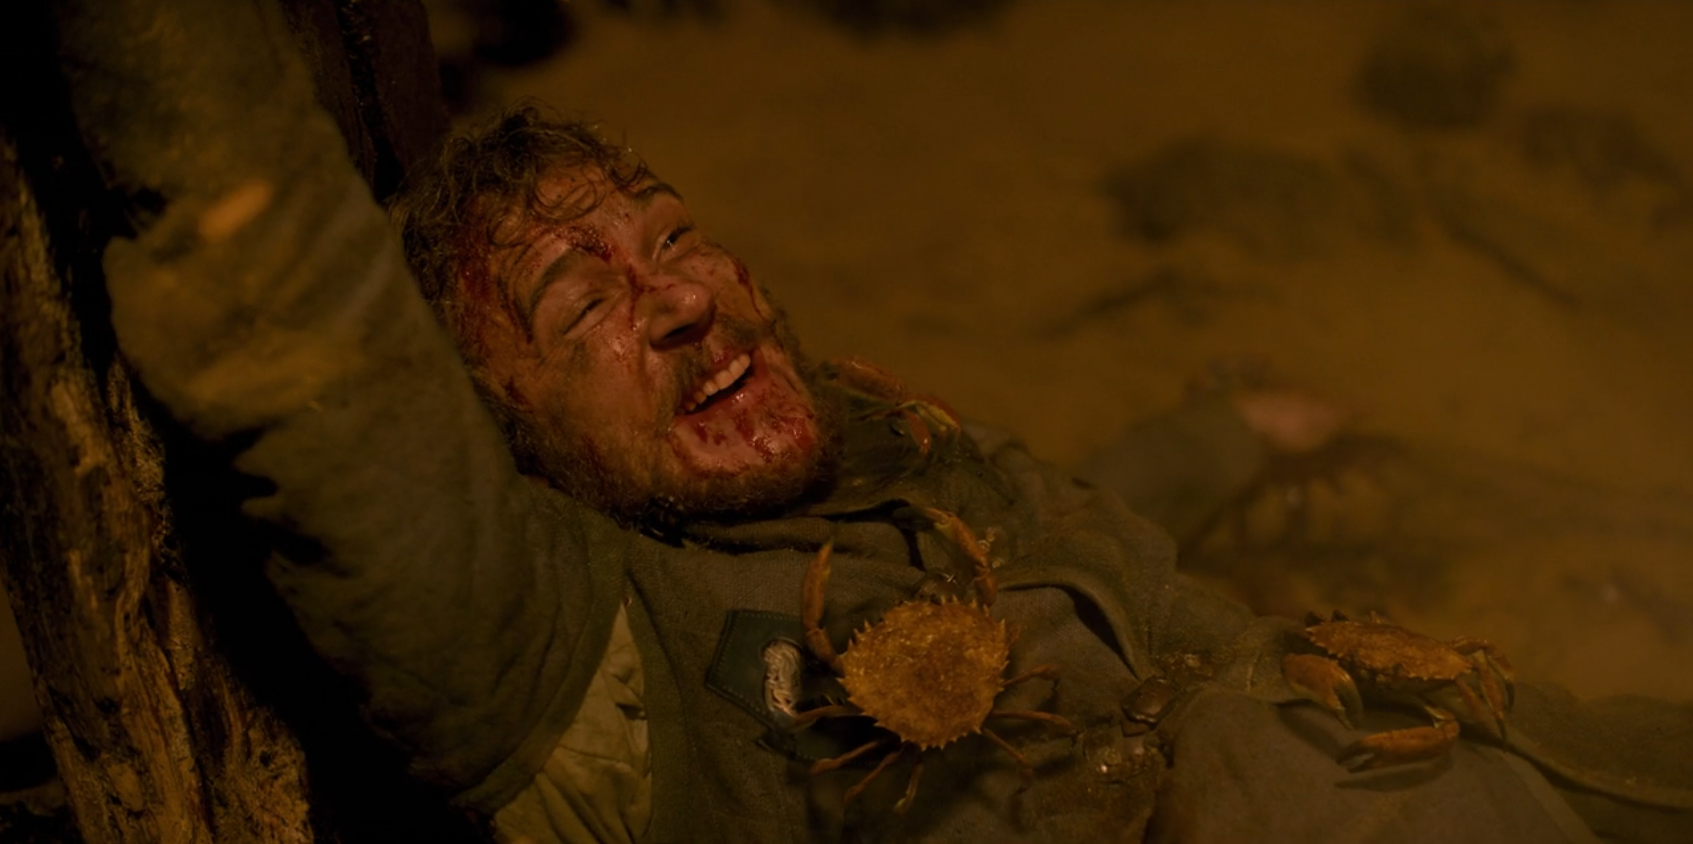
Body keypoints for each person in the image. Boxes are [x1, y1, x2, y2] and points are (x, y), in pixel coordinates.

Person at [45, 0, 1693, 841]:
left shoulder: (867, 457)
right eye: (577, 308)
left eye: (672, 236)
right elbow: (275, 271)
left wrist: (1218, 439)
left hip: (1501, 766)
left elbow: (1053, 554)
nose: (679, 300)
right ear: (506, 436)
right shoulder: (577, 655)